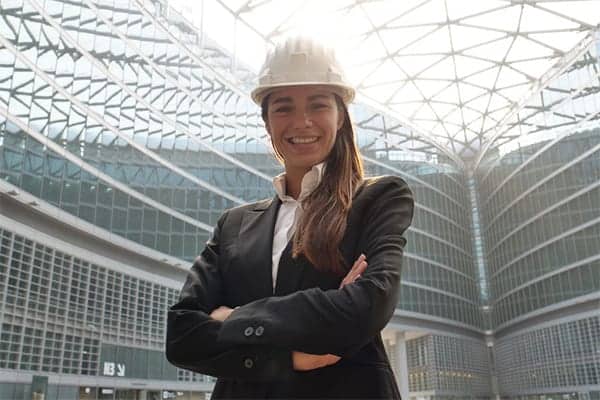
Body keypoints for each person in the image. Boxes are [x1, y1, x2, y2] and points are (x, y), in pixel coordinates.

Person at [166, 36, 414, 399]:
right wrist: (286, 358)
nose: (302, 122)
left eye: (317, 105)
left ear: (340, 116)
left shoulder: (379, 198)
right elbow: (182, 334)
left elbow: (367, 307)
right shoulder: (233, 224)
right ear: (266, 122)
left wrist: (236, 318)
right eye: (283, 108)